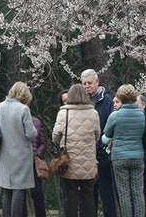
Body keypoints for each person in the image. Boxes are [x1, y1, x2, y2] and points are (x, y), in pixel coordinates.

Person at [53, 83, 101, 217]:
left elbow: (55, 137)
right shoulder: (93, 113)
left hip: (69, 161)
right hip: (88, 160)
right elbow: (97, 135)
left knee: (70, 197)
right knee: (88, 196)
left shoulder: (63, 113)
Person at [101, 84, 146, 217]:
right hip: (138, 155)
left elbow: (107, 135)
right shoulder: (142, 115)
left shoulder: (115, 115)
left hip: (119, 156)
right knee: (138, 192)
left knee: (124, 192)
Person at [0, 82, 38, 217]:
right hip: (21, 154)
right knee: (19, 189)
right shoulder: (23, 109)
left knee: (7, 188)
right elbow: (30, 133)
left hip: (3, 152)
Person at [82, 69, 116, 217]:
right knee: (88, 194)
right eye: (84, 83)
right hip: (86, 153)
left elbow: (109, 126)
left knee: (106, 192)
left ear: (97, 82)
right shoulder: (81, 102)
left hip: (102, 152)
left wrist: (101, 146)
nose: (87, 86)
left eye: (89, 83)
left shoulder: (107, 100)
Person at [30, 113, 49, 217]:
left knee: (37, 192)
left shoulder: (36, 122)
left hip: (34, 162)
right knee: (20, 193)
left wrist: (38, 154)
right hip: (20, 161)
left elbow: (43, 142)